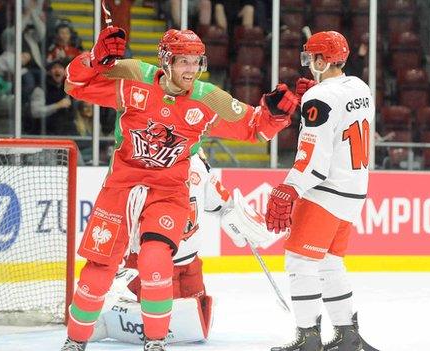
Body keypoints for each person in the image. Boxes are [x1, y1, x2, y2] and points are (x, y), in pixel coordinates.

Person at [61, 26, 298, 351]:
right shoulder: (132, 76)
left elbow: (255, 130)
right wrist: (93, 58)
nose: (191, 69)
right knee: (98, 270)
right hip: (122, 184)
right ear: (166, 60)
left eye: (196, 61)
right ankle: (75, 341)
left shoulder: (208, 98)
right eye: (183, 61)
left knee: (155, 259)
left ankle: (156, 342)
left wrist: (276, 116)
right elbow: (75, 84)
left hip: (169, 191)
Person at [89, 147, 277, 345]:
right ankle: (105, 319)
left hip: (190, 261)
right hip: (153, 263)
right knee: (168, 328)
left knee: (199, 325)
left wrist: (239, 218)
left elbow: (220, 202)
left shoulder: (197, 165)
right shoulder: (144, 165)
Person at [265, 31, 377, 351]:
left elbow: (314, 155)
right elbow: (341, 118)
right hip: (354, 190)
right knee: (330, 262)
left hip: (325, 190)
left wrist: (291, 188)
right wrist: (317, 91)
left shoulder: (320, 97)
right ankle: (347, 335)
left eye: (310, 58)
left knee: (300, 261)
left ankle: (308, 338)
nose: (307, 64)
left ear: (320, 60)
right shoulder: (359, 86)